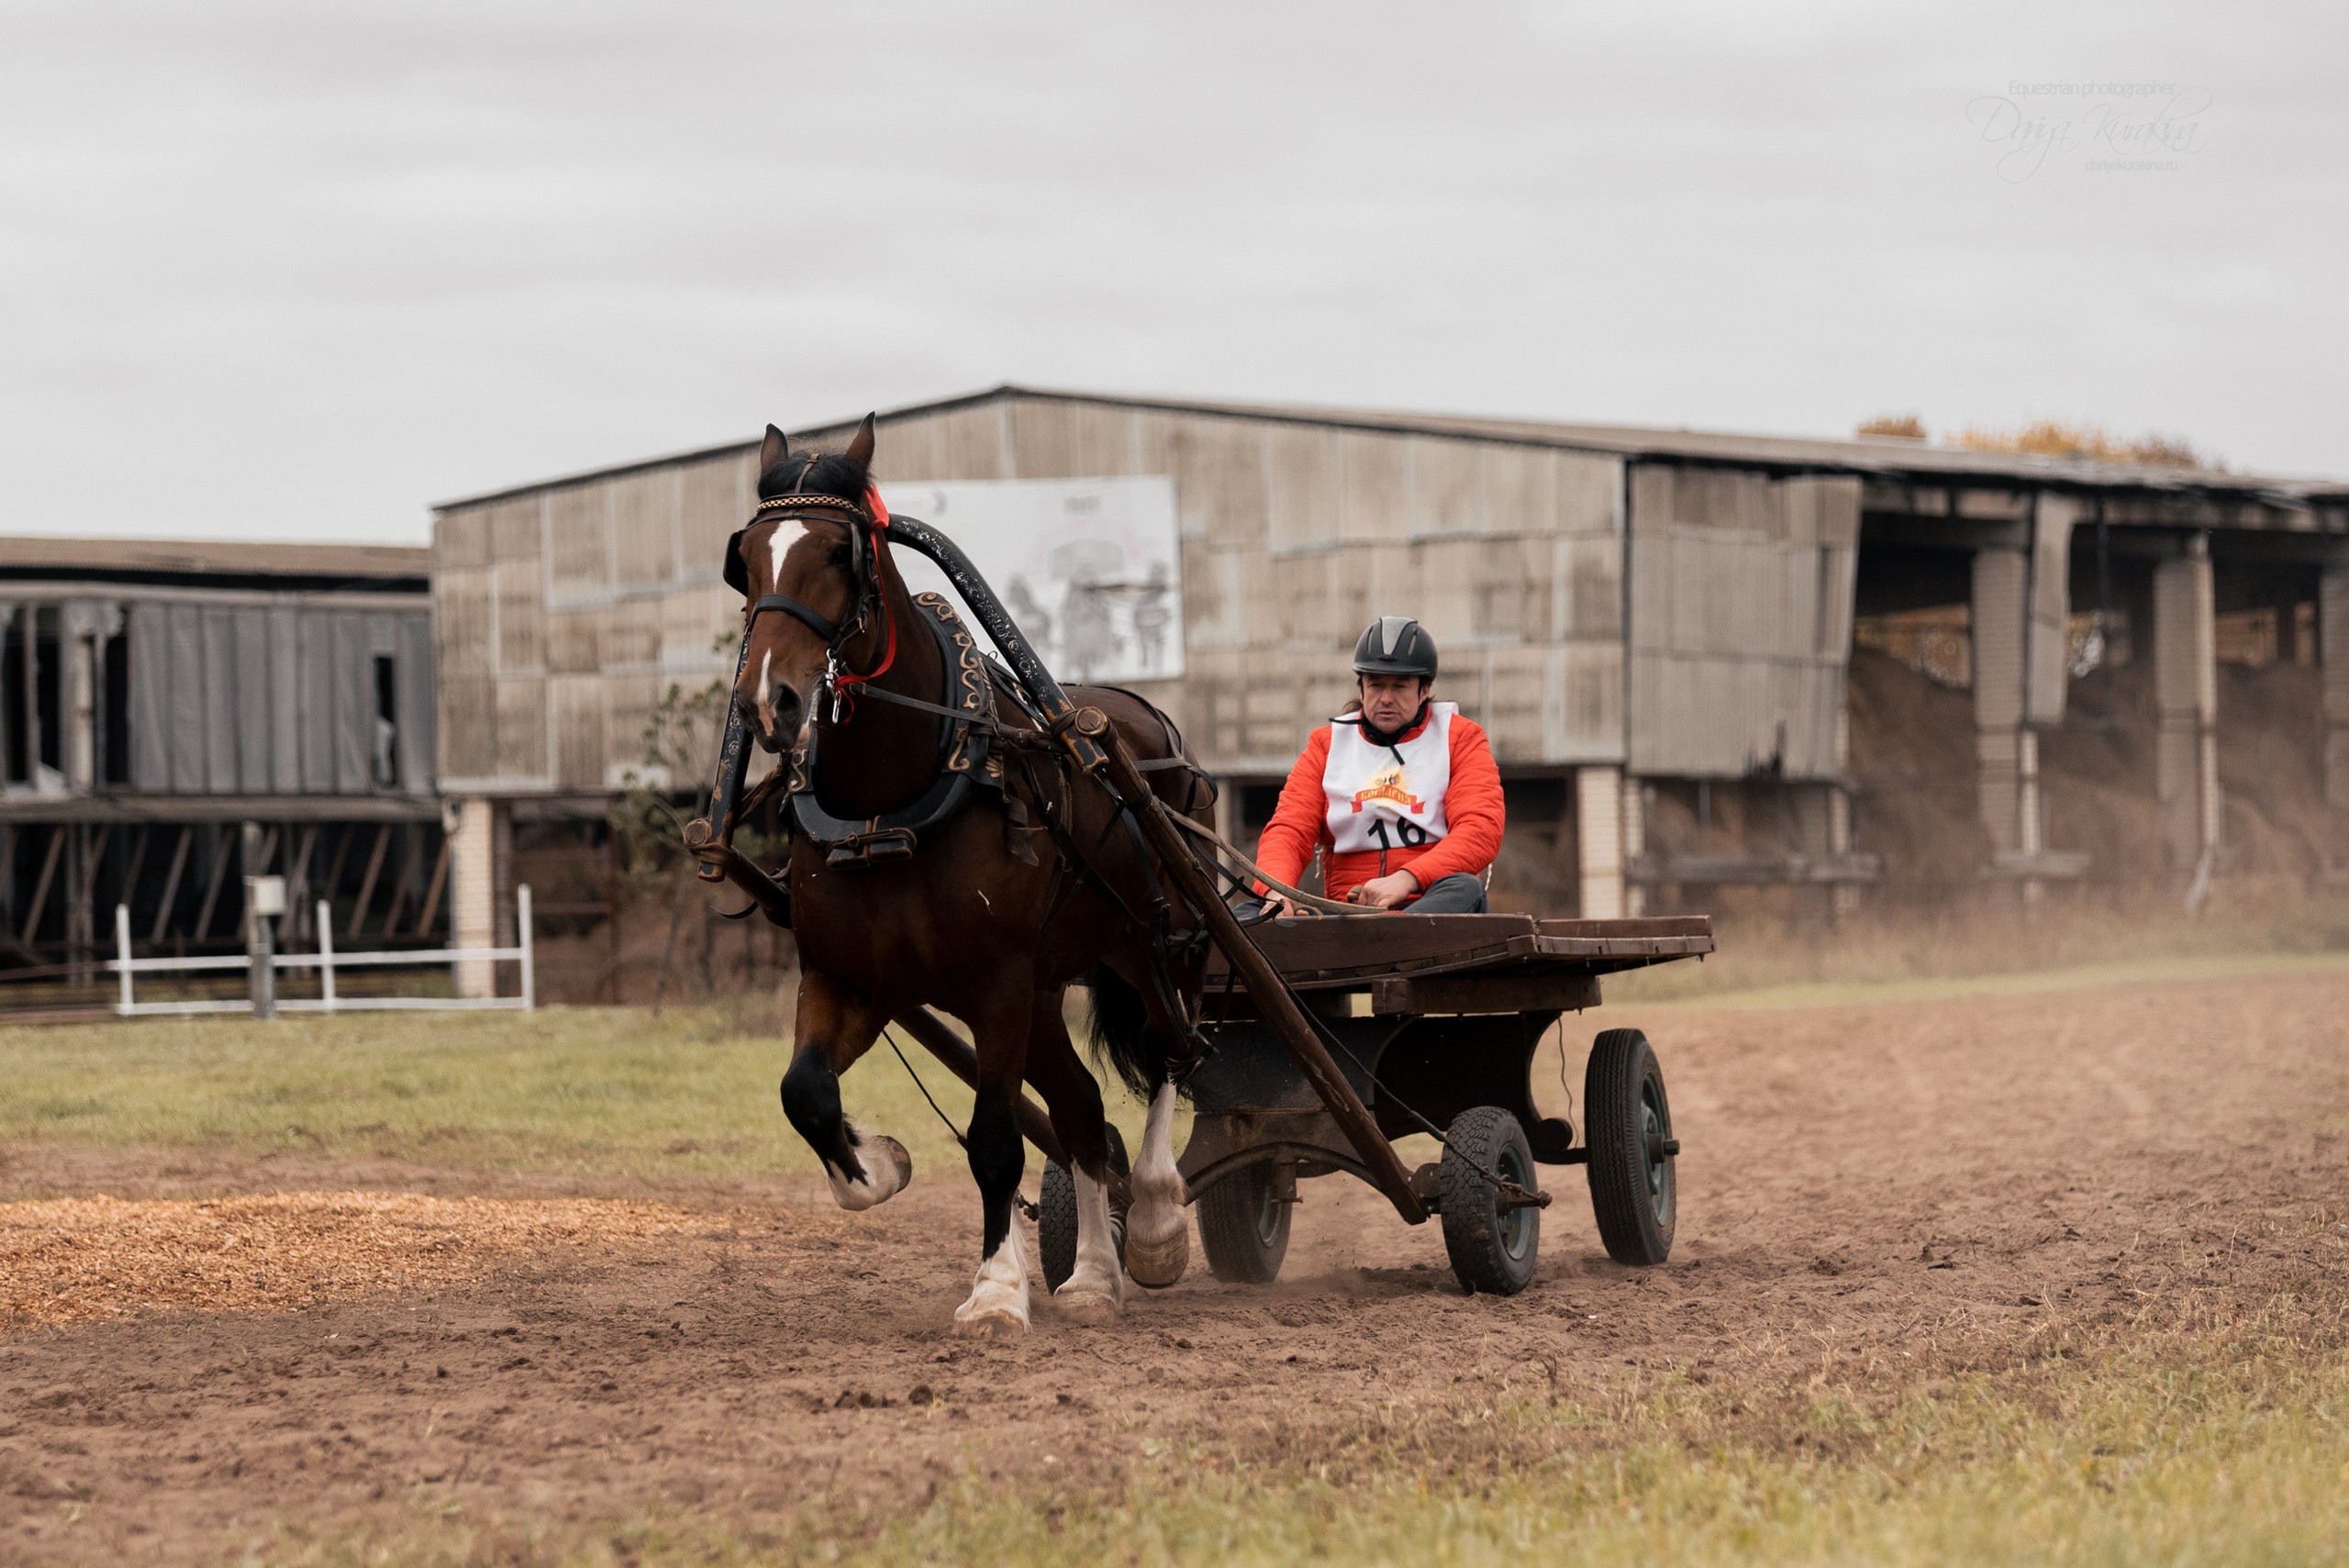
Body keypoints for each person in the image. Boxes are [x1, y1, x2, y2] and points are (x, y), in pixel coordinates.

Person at [1244, 616, 1505, 917]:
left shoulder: (1461, 738)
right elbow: (1289, 830)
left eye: (1400, 686)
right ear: (1360, 689)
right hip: (1345, 916)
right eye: (1376, 685)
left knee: (1465, 888)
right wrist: (1277, 893)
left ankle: (1391, 938)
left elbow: (1480, 828)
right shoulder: (1325, 745)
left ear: (1424, 690)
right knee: (1243, 916)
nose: (1386, 698)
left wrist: (1407, 879)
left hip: (1427, 908)